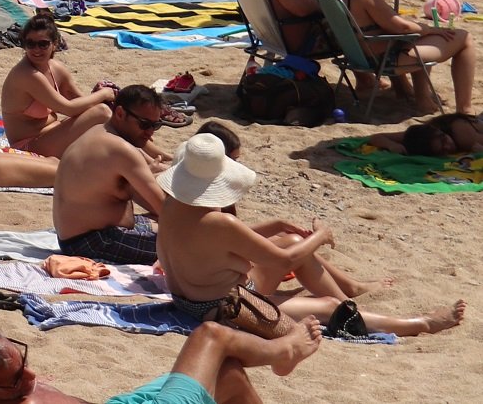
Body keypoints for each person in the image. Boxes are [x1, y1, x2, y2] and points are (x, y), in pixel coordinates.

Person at [157, 134, 465, 338]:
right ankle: (420, 323)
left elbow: (214, 243)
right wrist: (321, 235)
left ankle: (352, 300)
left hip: (193, 298)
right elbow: (285, 260)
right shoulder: (220, 223)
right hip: (227, 309)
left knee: (292, 242)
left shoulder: (173, 205)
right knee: (327, 305)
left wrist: (278, 224)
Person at [0, 321, 321, 404]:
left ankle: (281, 356)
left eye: (24, 361)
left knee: (228, 374)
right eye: (18, 378)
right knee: (211, 336)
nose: (31, 376)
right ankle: (282, 353)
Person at [328, 0, 474, 114]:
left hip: (357, 55)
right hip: (386, 60)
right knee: (464, 39)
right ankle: (465, 110)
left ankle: (422, 99)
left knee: (418, 36)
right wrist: (430, 29)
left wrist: (421, 30)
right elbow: (402, 27)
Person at [52, 85, 169, 264]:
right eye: (145, 124)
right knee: (190, 242)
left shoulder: (96, 133)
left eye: (156, 125)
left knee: (168, 224)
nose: (150, 132)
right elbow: (163, 208)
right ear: (120, 113)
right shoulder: (121, 150)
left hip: (76, 238)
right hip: (94, 242)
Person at [1, 11, 115, 156]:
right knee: (102, 113)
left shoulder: (55, 68)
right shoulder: (27, 75)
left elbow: (80, 102)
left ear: (54, 44)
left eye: (43, 44)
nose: (36, 50)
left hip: (52, 136)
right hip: (28, 147)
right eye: (30, 44)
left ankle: (150, 157)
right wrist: (104, 93)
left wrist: (102, 97)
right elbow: (68, 109)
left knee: (111, 114)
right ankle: (148, 161)